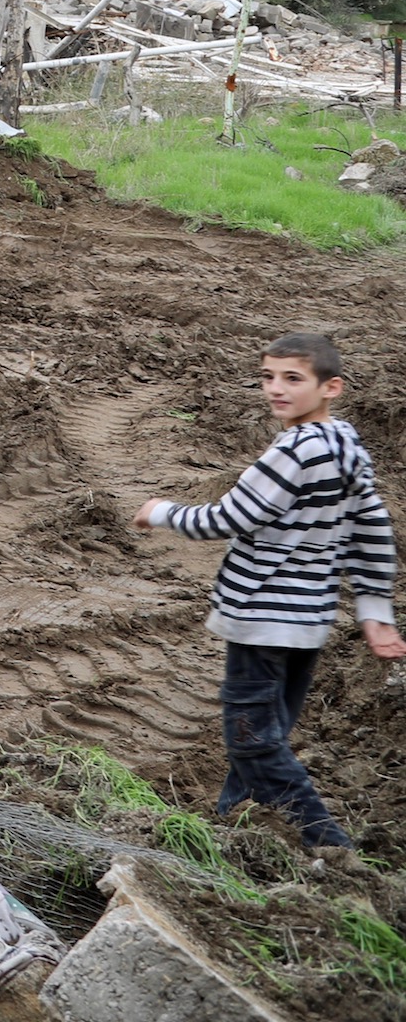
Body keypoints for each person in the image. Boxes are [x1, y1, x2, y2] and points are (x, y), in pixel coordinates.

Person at [133, 330, 403, 849]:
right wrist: (374, 610)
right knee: (263, 734)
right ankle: (236, 826)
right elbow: (371, 529)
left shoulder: (296, 450)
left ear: (332, 387)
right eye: (268, 377)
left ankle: (326, 843)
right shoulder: (347, 448)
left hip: (263, 617)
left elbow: (232, 516)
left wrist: (161, 511)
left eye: (292, 379)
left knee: (252, 741)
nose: (277, 389)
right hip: (308, 623)